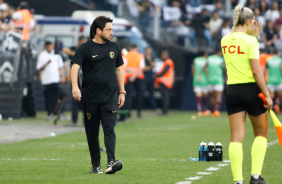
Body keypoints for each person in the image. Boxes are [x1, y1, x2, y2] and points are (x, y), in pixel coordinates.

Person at [221, 5, 273, 184]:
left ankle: (237, 180)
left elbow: (238, 46)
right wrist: (267, 95)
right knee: (261, 134)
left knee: (236, 138)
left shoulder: (224, 40)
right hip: (251, 90)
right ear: (250, 21)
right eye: (253, 23)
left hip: (232, 91)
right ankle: (256, 177)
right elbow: (256, 72)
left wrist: (253, 37)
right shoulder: (251, 42)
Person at [71, 16, 125, 174]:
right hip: (90, 98)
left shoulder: (114, 47)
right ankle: (96, 165)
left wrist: (122, 91)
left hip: (110, 97)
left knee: (109, 129)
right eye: (108, 30)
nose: (111, 32)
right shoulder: (85, 48)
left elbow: (119, 69)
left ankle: (110, 162)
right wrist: (75, 87)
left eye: (111, 29)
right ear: (98, 31)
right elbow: (75, 67)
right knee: (92, 132)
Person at [62, 35, 87, 125]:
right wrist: (76, 54)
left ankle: (86, 121)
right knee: (75, 100)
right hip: (76, 76)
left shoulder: (87, 49)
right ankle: (74, 121)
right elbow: (64, 50)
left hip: (85, 76)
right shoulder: (75, 48)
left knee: (86, 100)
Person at [36, 41, 65, 118]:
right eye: (48, 47)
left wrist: (62, 76)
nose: (50, 48)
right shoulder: (42, 55)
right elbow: (40, 68)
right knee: (49, 98)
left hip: (55, 79)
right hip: (46, 80)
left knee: (60, 95)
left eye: (51, 46)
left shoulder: (56, 54)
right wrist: (46, 64)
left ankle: (59, 112)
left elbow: (60, 67)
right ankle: (50, 113)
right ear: (46, 47)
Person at [125, 43, 145, 118]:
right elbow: (141, 68)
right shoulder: (140, 56)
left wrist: (132, 75)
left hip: (129, 77)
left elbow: (125, 66)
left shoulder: (126, 55)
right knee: (139, 95)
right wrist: (135, 75)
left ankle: (129, 111)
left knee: (128, 95)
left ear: (130, 48)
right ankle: (139, 112)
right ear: (137, 48)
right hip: (138, 77)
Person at [154, 50, 174, 115]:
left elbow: (164, 71)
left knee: (165, 97)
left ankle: (165, 111)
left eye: (163, 55)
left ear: (166, 55)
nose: (161, 56)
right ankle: (165, 110)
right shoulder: (167, 62)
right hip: (166, 82)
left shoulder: (168, 62)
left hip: (165, 82)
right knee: (165, 97)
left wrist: (157, 75)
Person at [192, 51, 210, 117]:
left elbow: (193, 69)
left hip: (196, 80)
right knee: (205, 95)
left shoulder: (195, 60)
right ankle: (205, 109)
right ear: (205, 54)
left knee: (198, 95)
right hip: (204, 80)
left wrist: (195, 77)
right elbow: (207, 71)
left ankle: (199, 111)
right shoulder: (206, 60)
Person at [266, 48, 282, 114]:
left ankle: (269, 111)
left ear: (271, 53)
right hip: (279, 80)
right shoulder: (280, 60)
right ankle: (278, 108)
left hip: (270, 80)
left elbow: (266, 70)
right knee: (280, 97)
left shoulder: (268, 60)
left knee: (271, 97)